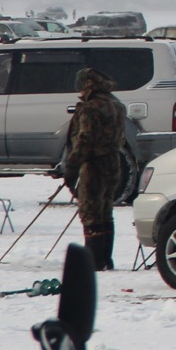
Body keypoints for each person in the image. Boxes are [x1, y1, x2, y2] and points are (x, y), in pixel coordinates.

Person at [65, 68, 126, 269]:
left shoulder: (91, 108)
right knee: (105, 210)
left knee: (90, 211)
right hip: (113, 162)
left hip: (94, 165)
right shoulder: (116, 105)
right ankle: (104, 257)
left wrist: (72, 164)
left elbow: (85, 139)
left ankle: (92, 259)